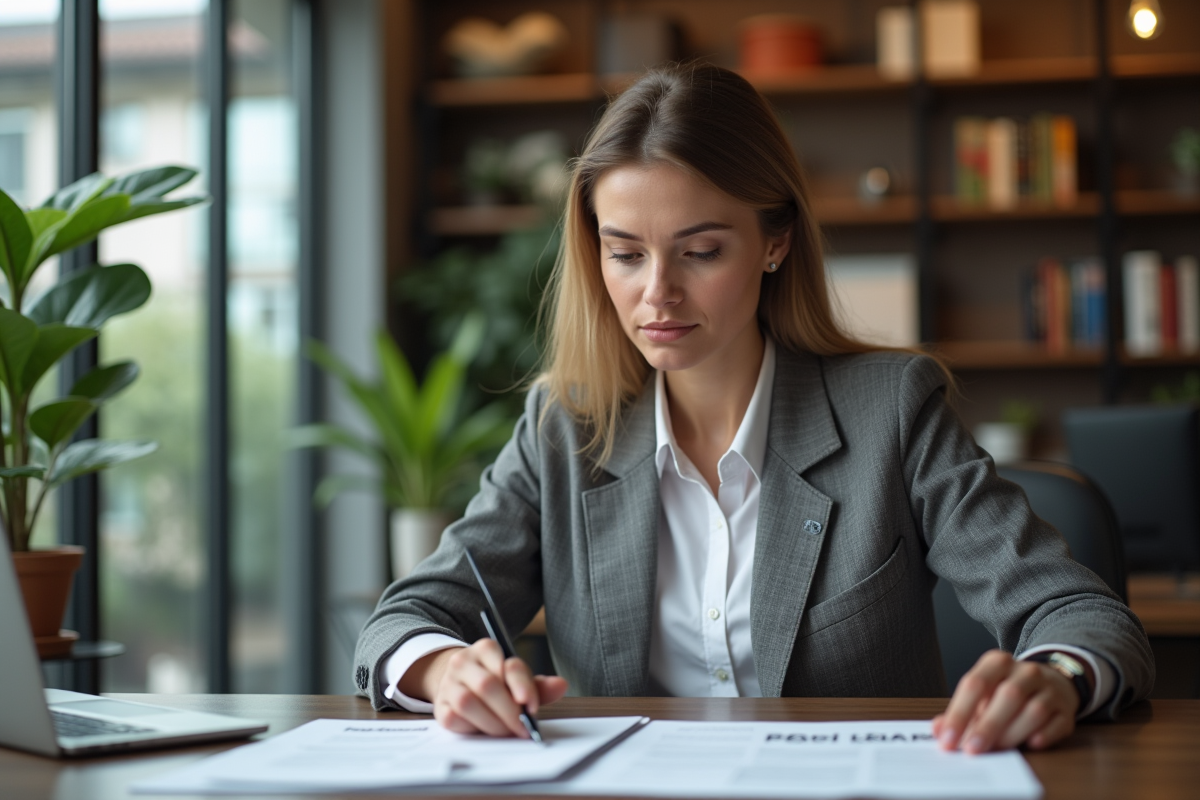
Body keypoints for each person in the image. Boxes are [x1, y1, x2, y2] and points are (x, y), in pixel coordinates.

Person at [354, 62, 1153, 754]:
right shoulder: (565, 430)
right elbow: (406, 618)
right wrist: (445, 666)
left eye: (701, 251)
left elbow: (1080, 613)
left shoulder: (891, 412)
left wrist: (1058, 679)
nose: (656, 292)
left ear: (775, 242)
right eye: (625, 253)